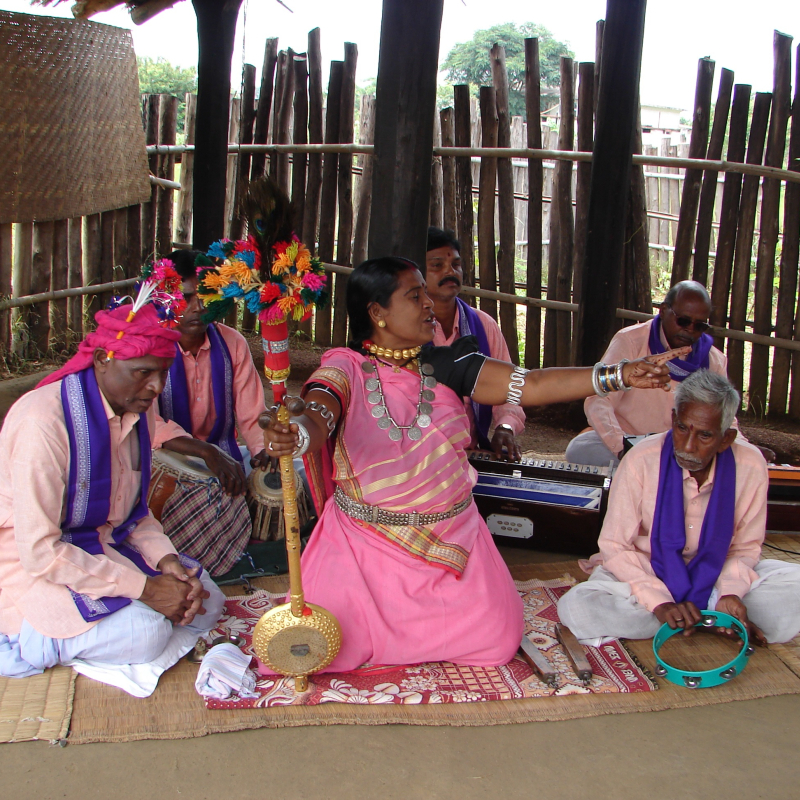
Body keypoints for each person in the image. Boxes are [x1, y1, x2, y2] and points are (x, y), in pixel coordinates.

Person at [260, 256, 686, 672]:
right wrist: (294, 434)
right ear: (378, 312)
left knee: (498, 638)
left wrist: (620, 374)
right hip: (364, 546)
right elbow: (317, 416)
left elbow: (531, 384)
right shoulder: (344, 370)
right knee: (326, 641)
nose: (429, 305)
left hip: (452, 543)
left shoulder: (449, 363)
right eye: (414, 296)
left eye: (426, 295)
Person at [0, 304, 225, 682]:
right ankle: (26, 638)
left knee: (208, 601)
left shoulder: (137, 417)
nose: (156, 387)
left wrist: (166, 562)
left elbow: (133, 515)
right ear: (103, 359)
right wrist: (147, 590)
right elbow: (40, 552)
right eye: (143, 372)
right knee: (148, 632)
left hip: (100, 547)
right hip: (31, 568)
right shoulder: (42, 423)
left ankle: (125, 626)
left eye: (162, 373)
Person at [558, 370, 800, 646]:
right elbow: (614, 546)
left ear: (726, 439)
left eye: (705, 436)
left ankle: (705, 613)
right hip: (647, 570)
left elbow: (745, 549)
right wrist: (659, 602)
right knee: (578, 608)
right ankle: (707, 622)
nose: (687, 446)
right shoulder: (641, 460)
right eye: (683, 428)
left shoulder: (750, 465)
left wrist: (730, 594)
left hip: (717, 575)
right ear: (673, 420)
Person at [151, 250, 271, 576]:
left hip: (224, 455)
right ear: (163, 298)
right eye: (187, 298)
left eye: (207, 296)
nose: (198, 308)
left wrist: (262, 454)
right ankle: (202, 563)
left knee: (289, 479)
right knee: (214, 493)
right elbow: (147, 424)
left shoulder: (232, 343)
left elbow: (252, 413)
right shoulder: (148, 346)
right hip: (161, 458)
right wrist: (206, 452)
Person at [566, 280, 736, 468]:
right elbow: (599, 400)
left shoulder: (714, 360)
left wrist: (745, 448)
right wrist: (622, 447)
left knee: (735, 462)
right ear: (663, 310)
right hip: (630, 439)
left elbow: (725, 416)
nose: (690, 329)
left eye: (699, 326)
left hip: (686, 449)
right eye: (684, 321)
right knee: (580, 449)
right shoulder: (631, 341)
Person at [426, 227, 526, 460]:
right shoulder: (406, 329)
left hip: (470, 456)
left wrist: (506, 427)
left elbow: (511, 388)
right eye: (437, 265)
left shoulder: (483, 325)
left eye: (456, 265)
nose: (450, 272)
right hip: (421, 461)